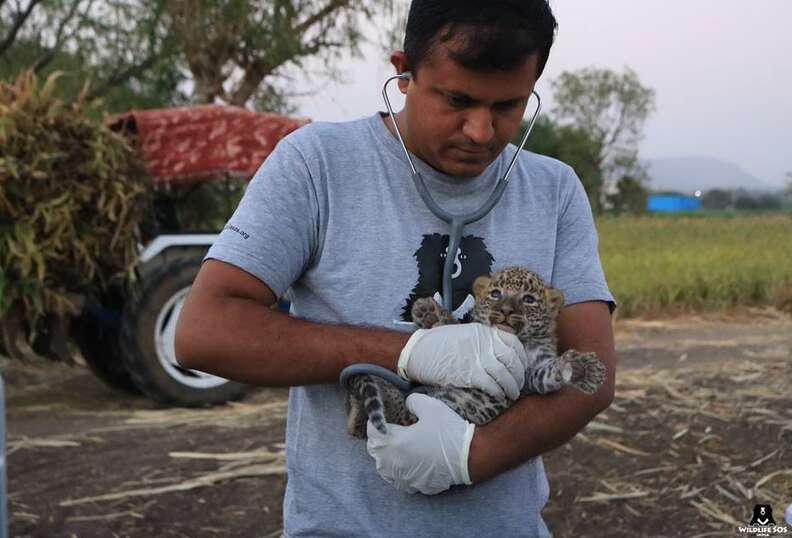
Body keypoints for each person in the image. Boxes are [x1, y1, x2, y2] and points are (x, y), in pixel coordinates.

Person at [174, 0, 616, 536]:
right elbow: (203, 331)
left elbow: (592, 371)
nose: (480, 131)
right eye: (457, 99)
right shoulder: (317, 165)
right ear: (402, 72)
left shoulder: (554, 189)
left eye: (508, 105)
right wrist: (409, 352)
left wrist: (470, 457)